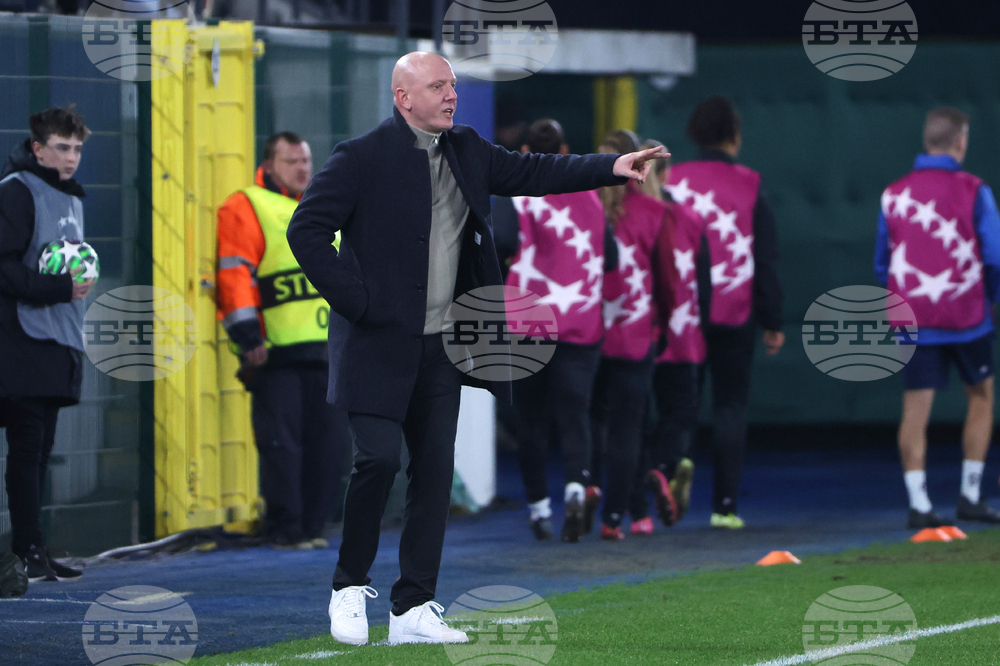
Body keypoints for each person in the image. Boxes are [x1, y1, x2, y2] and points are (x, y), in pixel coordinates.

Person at [286, 51, 665, 646]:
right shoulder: (358, 158)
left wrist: (613, 165)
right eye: (438, 86)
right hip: (375, 345)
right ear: (404, 97)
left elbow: (537, 173)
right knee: (379, 461)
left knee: (434, 472)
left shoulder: (467, 149)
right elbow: (305, 230)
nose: (451, 94)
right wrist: (356, 301)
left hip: (443, 346)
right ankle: (346, 586)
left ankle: (414, 606)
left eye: (453, 84)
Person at [216, 131, 351, 549]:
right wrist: (246, 334)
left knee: (329, 448)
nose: (303, 168)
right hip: (275, 352)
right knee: (282, 446)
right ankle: (286, 529)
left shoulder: (324, 208)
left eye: (306, 160)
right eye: (292, 161)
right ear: (270, 165)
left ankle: (311, 528)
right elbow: (234, 274)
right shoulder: (247, 205)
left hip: (329, 352)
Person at [875, 106, 1000, 528]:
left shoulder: (893, 194)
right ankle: (969, 496)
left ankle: (919, 504)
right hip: (970, 316)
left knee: (916, 408)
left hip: (914, 318)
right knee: (981, 398)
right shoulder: (974, 190)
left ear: (927, 140)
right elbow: (995, 256)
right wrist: (991, 300)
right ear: (960, 141)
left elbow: (882, 263)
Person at [666, 96, 784, 529]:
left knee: (680, 404)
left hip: (682, 313)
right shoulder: (750, 183)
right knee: (730, 406)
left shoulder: (672, 181)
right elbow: (766, 257)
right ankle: (725, 507)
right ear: (734, 134)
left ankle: (667, 477)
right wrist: (772, 320)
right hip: (735, 310)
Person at [504, 118, 615, 542]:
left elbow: (501, 244)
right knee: (575, 415)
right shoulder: (589, 195)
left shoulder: (516, 196)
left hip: (527, 320)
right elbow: (610, 258)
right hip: (581, 321)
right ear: (566, 151)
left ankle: (537, 510)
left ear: (527, 152)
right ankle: (574, 485)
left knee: (531, 420)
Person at [0, 106, 94, 581]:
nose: (71, 157)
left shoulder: (73, 199)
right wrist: (60, 288)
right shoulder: (16, 192)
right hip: (20, 342)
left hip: (58, 340)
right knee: (27, 447)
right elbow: (4, 267)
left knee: (41, 450)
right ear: (37, 148)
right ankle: (24, 551)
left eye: (77, 148)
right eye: (61, 147)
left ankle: (31, 549)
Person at [590, 130, 678, 540]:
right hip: (635, 333)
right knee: (630, 426)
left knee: (590, 422)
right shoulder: (654, 212)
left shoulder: (585, 205)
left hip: (585, 333)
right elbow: (667, 280)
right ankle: (616, 517)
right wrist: (661, 322)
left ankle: (585, 489)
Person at [640, 139, 706, 527]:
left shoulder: (618, 212)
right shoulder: (687, 217)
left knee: (631, 419)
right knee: (679, 413)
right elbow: (702, 278)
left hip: (635, 332)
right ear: (666, 175)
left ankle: (631, 511)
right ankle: (665, 468)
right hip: (681, 334)